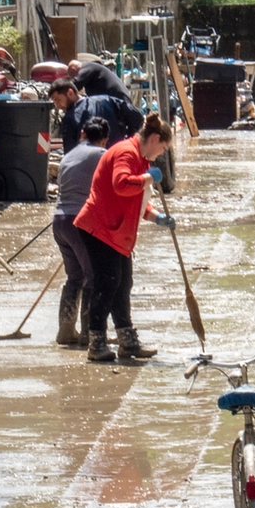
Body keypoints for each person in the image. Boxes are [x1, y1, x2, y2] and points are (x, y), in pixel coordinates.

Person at [74, 113, 175, 362]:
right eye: (162, 147)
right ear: (154, 139)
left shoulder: (139, 158)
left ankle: (127, 341)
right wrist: (148, 178)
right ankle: (96, 342)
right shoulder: (126, 153)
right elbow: (121, 184)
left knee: (123, 284)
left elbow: (135, 200)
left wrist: (156, 217)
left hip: (117, 231)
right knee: (107, 283)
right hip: (99, 227)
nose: (161, 153)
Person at [52, 117, 110, 349]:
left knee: (75, 277)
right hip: (80, 221)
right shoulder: (102, 155)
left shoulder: (69, 155)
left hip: (60, 220)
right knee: (94, 278)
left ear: (83, 135)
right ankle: (90, 334)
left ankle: (66, 332)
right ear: (104, 138)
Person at [49, 77, 144, 155]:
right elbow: (137, 117)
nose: (57, 106)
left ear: (70, 93)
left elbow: (69, 153)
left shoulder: (70, 118)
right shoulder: (107, 100)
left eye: (58, 100)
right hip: (118, 157)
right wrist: (128, 140)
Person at [67, 59, 132, 102]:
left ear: (73, 70)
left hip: (118, 100)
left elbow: (75, 83)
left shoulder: (88, 66)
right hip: (120, 100)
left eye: (72, 77)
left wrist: (62, 89)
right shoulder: (92, 71)